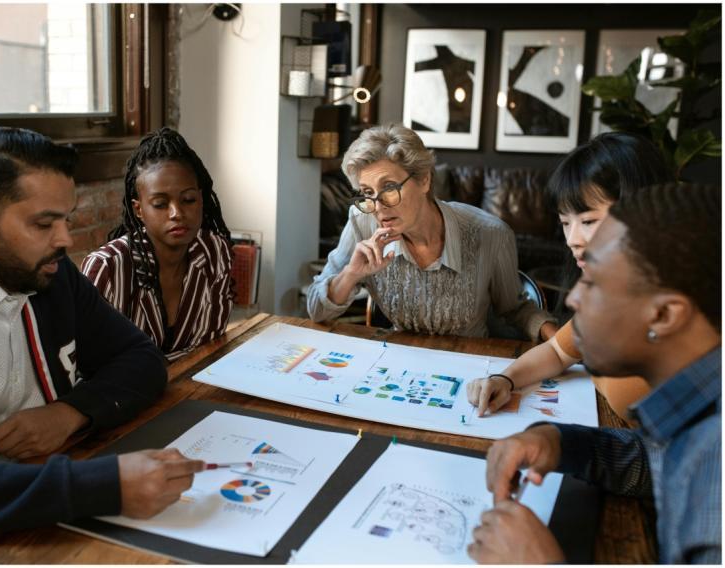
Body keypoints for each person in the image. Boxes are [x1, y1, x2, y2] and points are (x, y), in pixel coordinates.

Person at [0, 126, 205, 538]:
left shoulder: (51, 274)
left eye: (66, 219)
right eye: (44, 224)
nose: (66, 239)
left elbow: (142, 359)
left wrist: (69, 413)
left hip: (47, 502)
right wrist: (100, 486)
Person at [468, 182, 721, 564]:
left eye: (594, 281)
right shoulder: (695, 418)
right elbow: (656, 461)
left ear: (665, 315)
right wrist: (560, 443)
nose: (572, 299)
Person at [467, 133, 672, 421]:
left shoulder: (680, 312)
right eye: (565, 223)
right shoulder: (607, 290)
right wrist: (505, 379)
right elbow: (557, 352)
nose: (572, 239)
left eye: (588, 221)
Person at [307, 123, 556, 341]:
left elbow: (514, 309)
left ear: (424, 180)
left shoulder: (491, 233)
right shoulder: (362, 224)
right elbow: (316, 309)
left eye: (390, 188)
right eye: (368, 193)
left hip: (471, 368)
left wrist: (559, 342)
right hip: (398, 368)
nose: (379, 207)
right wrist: (350, 274)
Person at [81, 128, 233, 361]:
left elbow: (209, 348)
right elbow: (90, 365)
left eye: (188, 199)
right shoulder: (108, 268)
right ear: (138, 209)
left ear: (201, 199)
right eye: (160, 204)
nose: (177, 213)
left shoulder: (214, 251)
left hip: (194, 387)